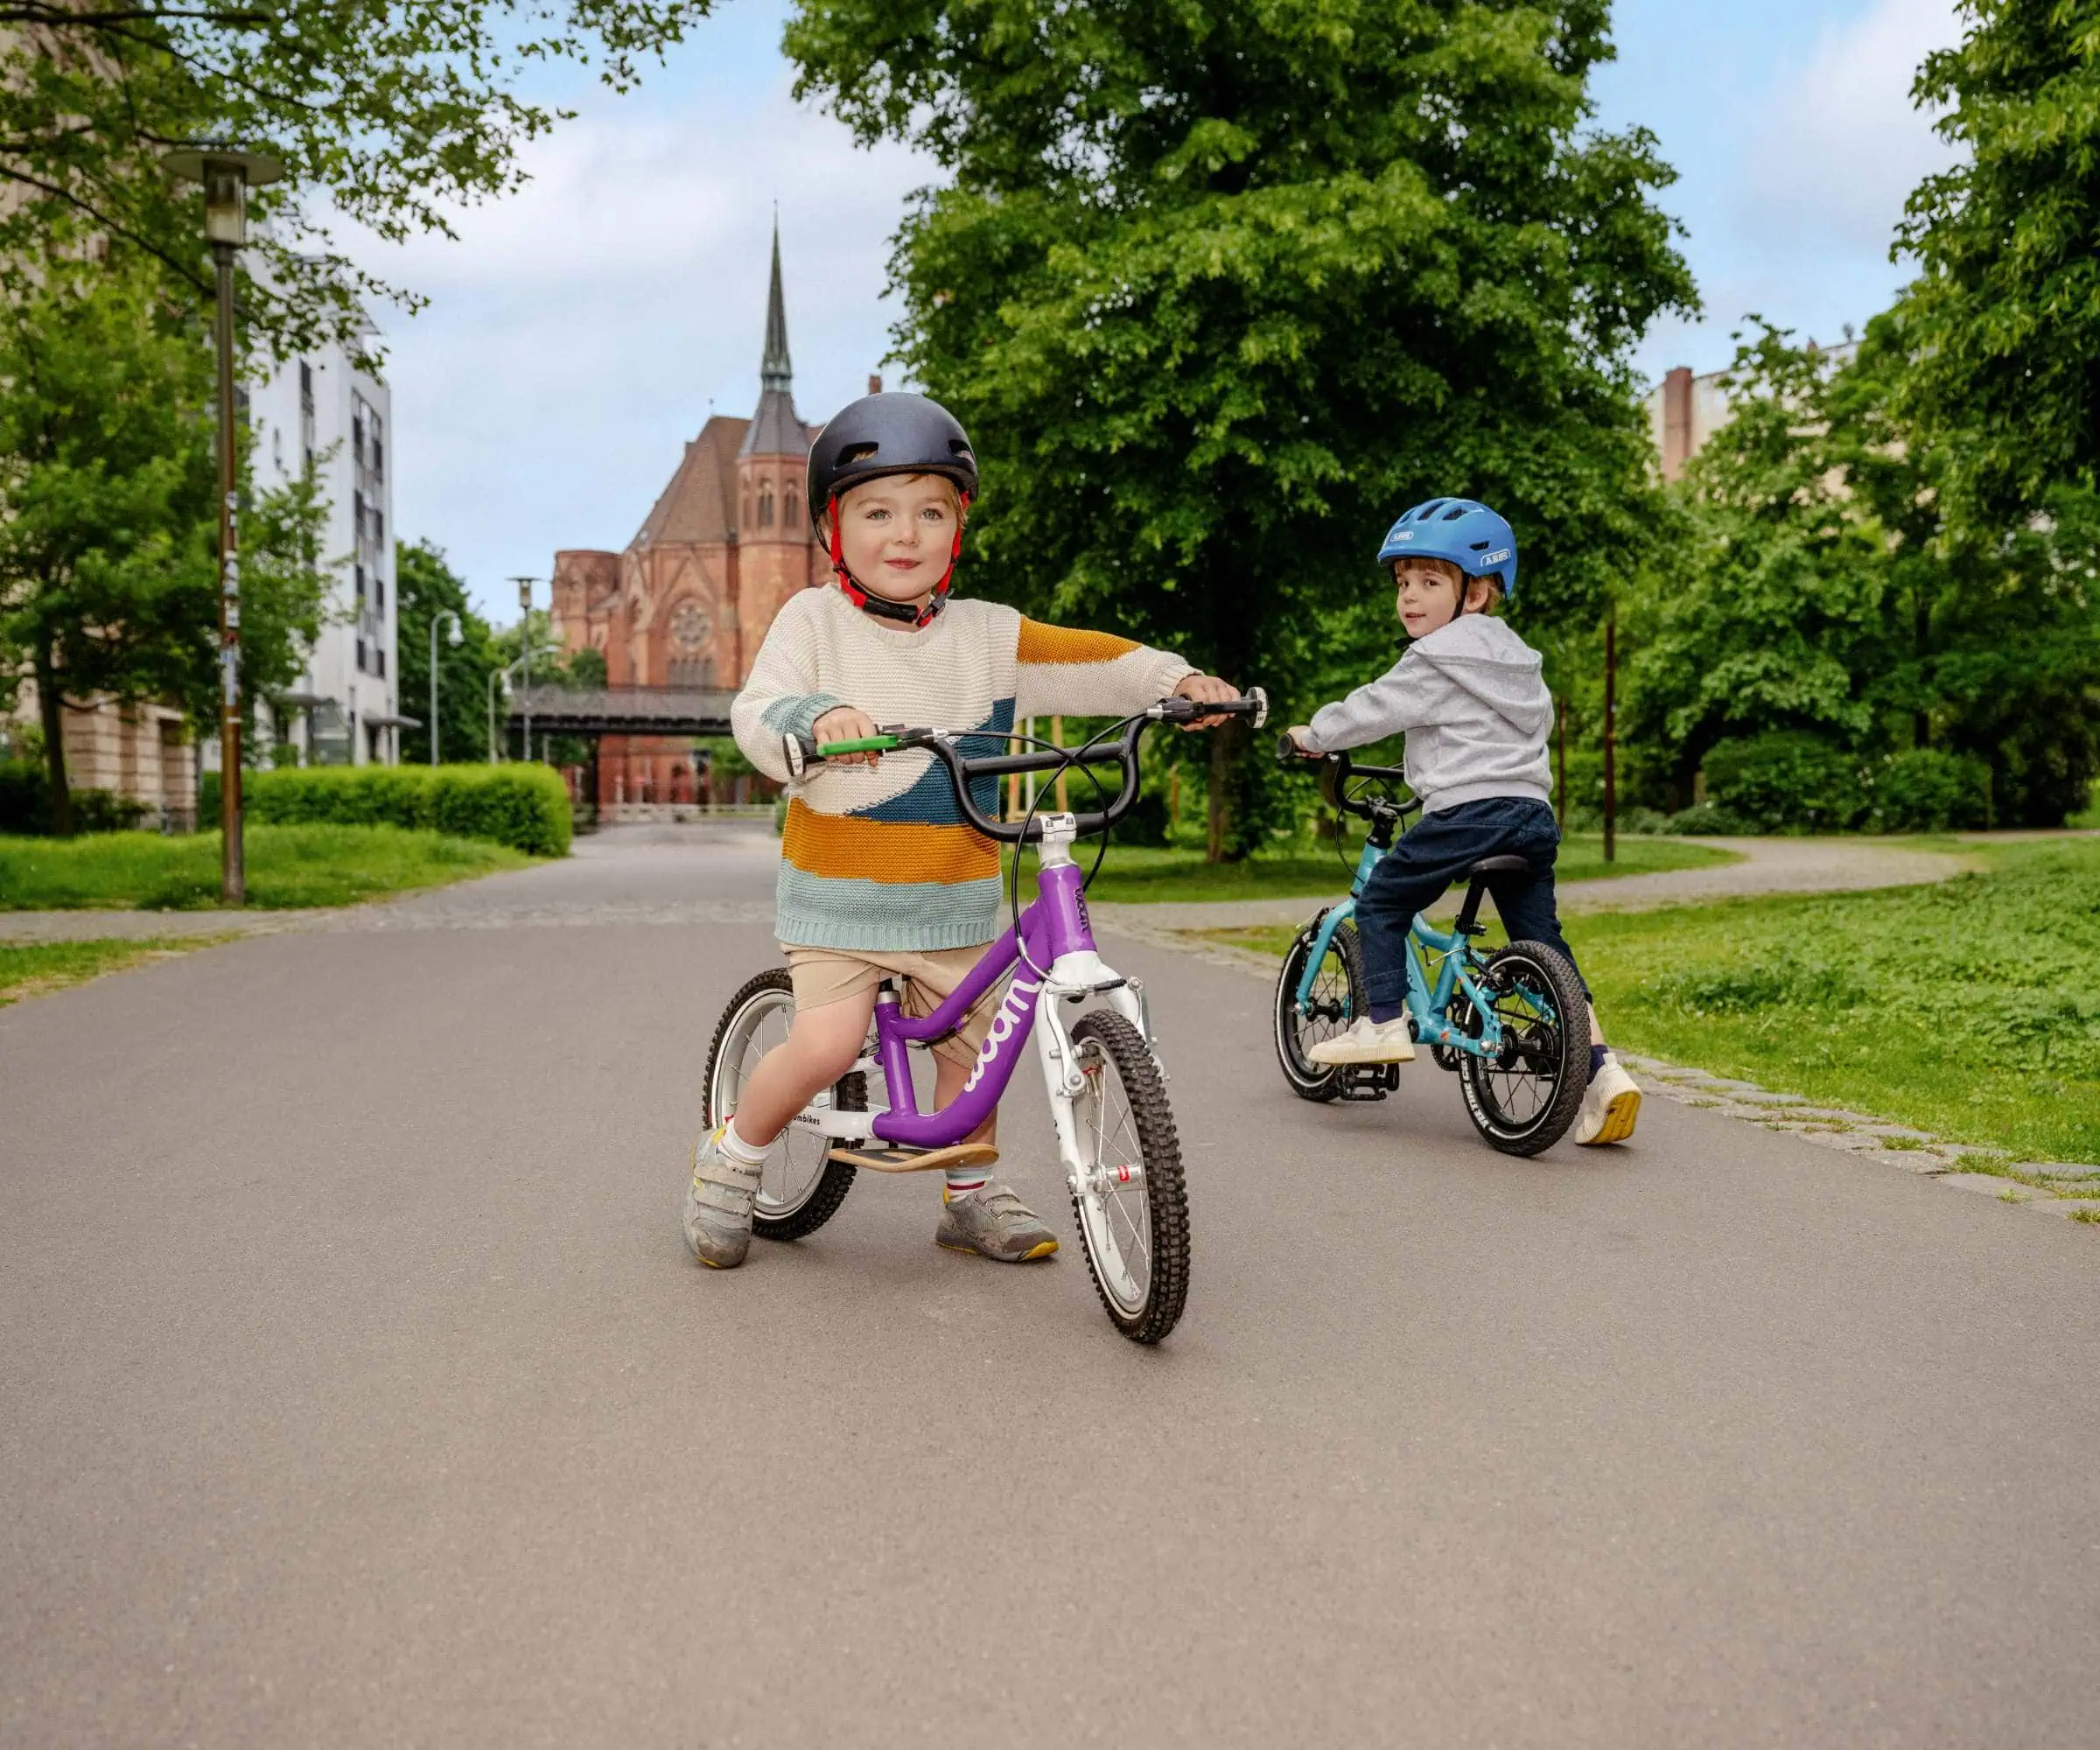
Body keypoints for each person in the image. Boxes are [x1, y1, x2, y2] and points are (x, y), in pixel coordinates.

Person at [685, 391, 1241, 1269]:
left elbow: (1092, 657)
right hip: (843, 903)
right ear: (834, 527)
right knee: (828, 1042)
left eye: (930, 512)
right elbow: (759, 711)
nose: (904, 534)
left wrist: (1180, 681)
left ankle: (969, 1196)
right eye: (877, 511)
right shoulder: (813, 619)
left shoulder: (988, 635)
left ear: (958, 526)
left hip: (953, 896)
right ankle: (734, 1156)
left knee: (980, 1045)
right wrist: (816, 716)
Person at [1282, 497, 1640, 1147]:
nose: (1410, 598)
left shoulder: (1436, 657)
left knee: (1385, 900)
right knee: (1544, 941)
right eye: (1403, 582)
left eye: (1430, 581)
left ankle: (1382, 1023)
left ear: (1475, 594)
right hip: (1531, 815)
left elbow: (1375, 708)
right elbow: (1536, 728)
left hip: (1469, 812)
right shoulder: (1520, 661)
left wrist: (1315, 733)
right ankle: (1603, 1071)